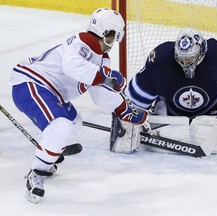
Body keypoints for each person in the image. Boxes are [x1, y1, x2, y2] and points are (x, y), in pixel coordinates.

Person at [10, 8, 147, 204]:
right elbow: (72, 66)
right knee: (61, 127)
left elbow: (100, 93)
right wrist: (105, 77)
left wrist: (122, 109)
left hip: (51, 91)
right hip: (30, 84)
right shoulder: (82, 42)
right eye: (113, 35)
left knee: (74, 126)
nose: (114, 41)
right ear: (105, 32)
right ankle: (38, 172)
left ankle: (51, 151)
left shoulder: (101, 59)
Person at [125, 28, 217, 119]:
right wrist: (129, 111)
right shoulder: (161, 59)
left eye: (189, 58)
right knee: (157, 109)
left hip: (213, 111)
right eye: (181, 58)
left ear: (201, 53)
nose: (185, 63)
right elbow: (138, 93)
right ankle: (161, 113)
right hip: (172, 114)